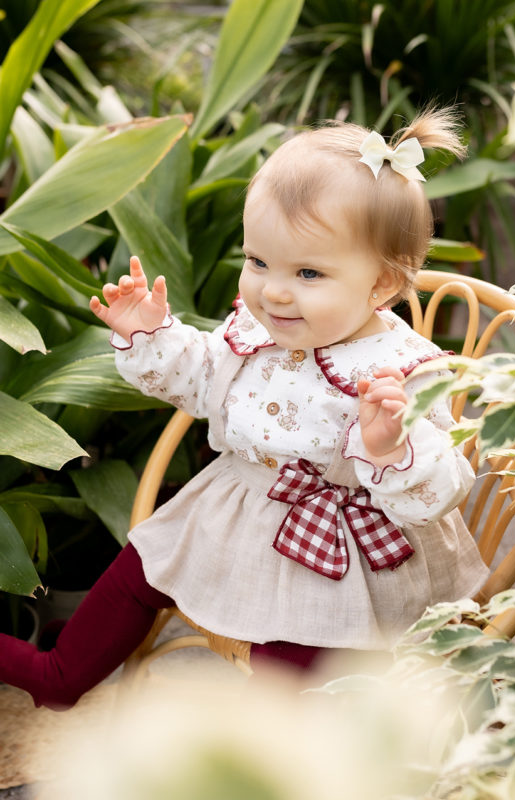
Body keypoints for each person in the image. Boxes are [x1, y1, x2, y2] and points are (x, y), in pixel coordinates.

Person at [0, 108, 488, 709]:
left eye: (308, 272)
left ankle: (290, 751)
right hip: (233, 508)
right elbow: (205, 378)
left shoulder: (402, 372)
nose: (272, 290)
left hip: (339, 543)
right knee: (137, 571)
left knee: (306, 673)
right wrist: (152, 337)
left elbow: (444, 489)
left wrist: (394, 450)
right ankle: (60, 672)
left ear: (383, 284)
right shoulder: (259, 330)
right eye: (258, 261)